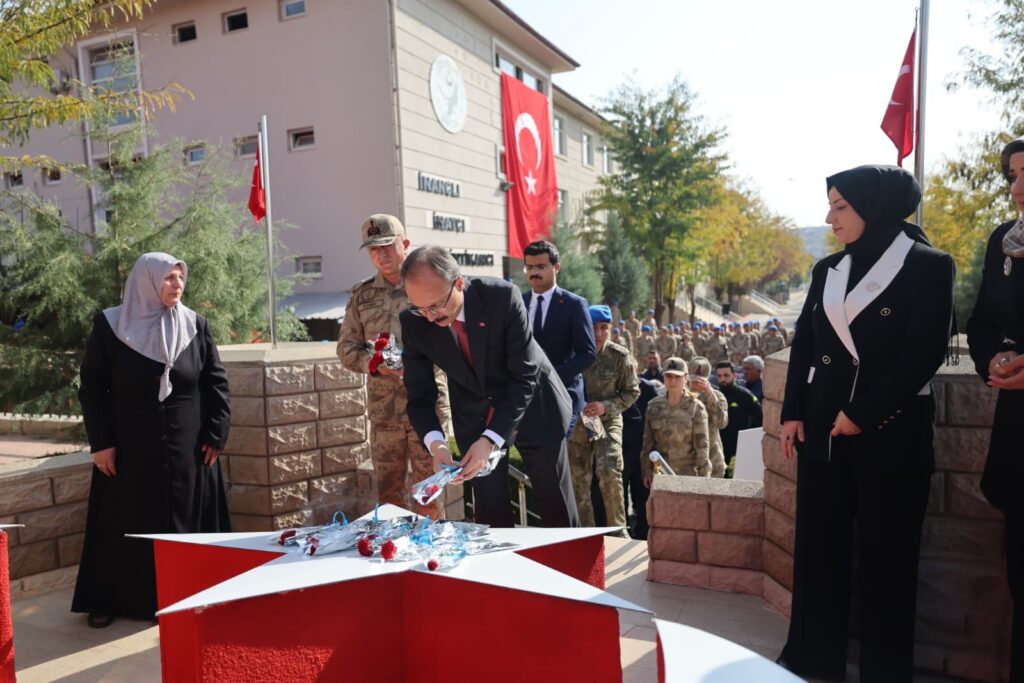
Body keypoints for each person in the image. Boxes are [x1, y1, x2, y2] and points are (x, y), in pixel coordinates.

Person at [777, 165, 955, 682]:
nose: (829, 218)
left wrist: (862, 413)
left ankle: (885, 672)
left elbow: (924, 355)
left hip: (891, 432)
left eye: (840, 207)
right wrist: (792, 410)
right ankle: (814, 662)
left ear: (873, 208)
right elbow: (806, 344)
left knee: (888, 562)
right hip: (823, 432)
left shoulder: (929, 265)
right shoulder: (828, 269)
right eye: (830, 205)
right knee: (819, 553)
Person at [72, 253, 231, 628]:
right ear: (147, 282)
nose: (178, 284)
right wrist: (101, 443)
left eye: (180, 277)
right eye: (169, 278)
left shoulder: (195, 325)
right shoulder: (111, 326)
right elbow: (92, 387)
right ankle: (110, 599)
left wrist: (215, 433)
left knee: (185, 522)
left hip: (189, 449)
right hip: (130, 447)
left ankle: (187, 595)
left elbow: (215, 383)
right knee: (123, 522)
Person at [399, 246, 579, 528]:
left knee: (555, 504)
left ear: (459, 283)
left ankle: (572, 557)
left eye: (435, 306)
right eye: (420, 309)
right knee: (490, 513)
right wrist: (437, 446)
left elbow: (524, 377)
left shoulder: (501, 297)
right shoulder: (413, 322)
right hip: (474, 414)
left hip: (535, 404)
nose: (430, 317)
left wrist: (491, 439)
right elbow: (420, 396)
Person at [337, 214, 452, 518]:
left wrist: (420, 362)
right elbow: (346, 350)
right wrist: (375, 364)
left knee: (430, 491)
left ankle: (430, 545)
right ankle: (394, 546)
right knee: (388, 495)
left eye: (387, 246)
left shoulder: (428, 285)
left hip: (428, 406)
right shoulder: (362, 295)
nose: (381, 255)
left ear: (405, 244)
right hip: (385, 413)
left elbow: (451, 338)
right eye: (374, 249)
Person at [967, 137, 1024, 683]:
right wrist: (995, 357)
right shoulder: (1003, 242)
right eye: (1013, 175)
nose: (1018, 188)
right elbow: (982, 321)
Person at [568, 305, 639, 530]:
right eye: (593, 328)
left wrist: (605, 406)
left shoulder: (619, 356)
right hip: (578, 424)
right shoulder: (571, 353)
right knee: (578, 481)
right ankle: (585, 533)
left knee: (609, 470)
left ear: (610, 329)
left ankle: (618, 530)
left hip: (607, 421)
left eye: (603, 328)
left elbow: (632, 392)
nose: (598, 333)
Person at [521, 240, 597, 438]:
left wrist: (552, 377)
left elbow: (587, 353)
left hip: (563, 393)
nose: (534, 272)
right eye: (529, 267)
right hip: (528, 397)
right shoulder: (519, 302)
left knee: (554, 447)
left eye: (541, 266)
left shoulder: (574, 304)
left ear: (556, 268)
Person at [641, 357, 711, 485]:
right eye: (669, 376)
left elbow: (702, 447)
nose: (673, 381)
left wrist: (704, 477)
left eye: (677, 377)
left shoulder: (695, 407)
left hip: (687, 473)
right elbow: (648, 442)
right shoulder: (653, 407)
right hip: (661, 471)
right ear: (663, 377)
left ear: (686, 378)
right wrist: (646, 470)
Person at [621, 376, 659, 539]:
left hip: (642, 449)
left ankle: (644, 531)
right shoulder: (614, 385)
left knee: (642, 492)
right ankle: (623, 529)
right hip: (620, 448)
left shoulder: (647, 388)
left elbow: (654, 418)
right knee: (619, 493)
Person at [715, 361, 762, 466]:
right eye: (719, 376)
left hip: (739, 451)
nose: (722, 379)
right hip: (718, 449)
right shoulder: (714, 396)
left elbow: (761, 418)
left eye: (726, 375)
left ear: (734, 376)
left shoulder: (745, 395)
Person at [689, 357, 729, 478]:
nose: (695, 384)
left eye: (700, 381)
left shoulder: (717, 396)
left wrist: (710, 395)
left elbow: (722, 423)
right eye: (693, 381)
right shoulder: (681, 395)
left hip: (713, 461)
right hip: (686, 462)